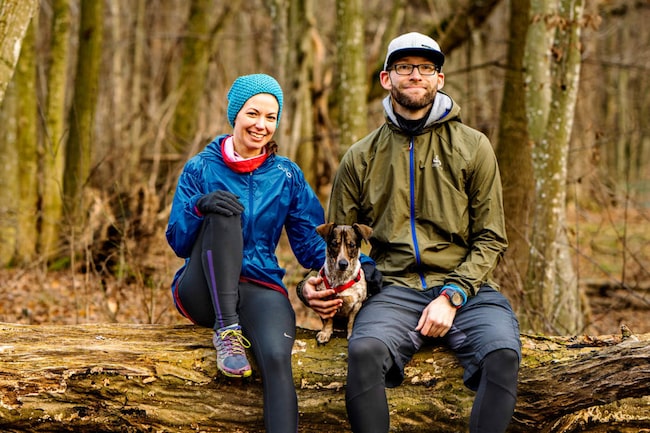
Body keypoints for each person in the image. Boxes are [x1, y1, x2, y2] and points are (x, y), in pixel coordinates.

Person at [298, 32, 521, 433]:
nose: (415, 75)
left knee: (503, 353)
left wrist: (453, 295)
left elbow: (491, 238)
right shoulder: (360, 157)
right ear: (387, 78)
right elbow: (338, 244)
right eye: (404, 67)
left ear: (440, 79)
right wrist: (320, 287)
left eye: (426, 68)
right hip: (393, 289)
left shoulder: (473, 147)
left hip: (465, 288)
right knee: (363, 351)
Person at [165, 73, 328, 433]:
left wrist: (358, 267)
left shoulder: (287, 175)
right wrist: (198, 207)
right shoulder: (201, 168)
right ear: (235, 115)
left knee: (275, 357)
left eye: (271, 117)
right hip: (203, 287)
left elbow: (310, 243)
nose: (261, 125)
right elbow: (177, 241)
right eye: (253, 114)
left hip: (260, 285)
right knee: (225, 211)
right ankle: (227, 331)